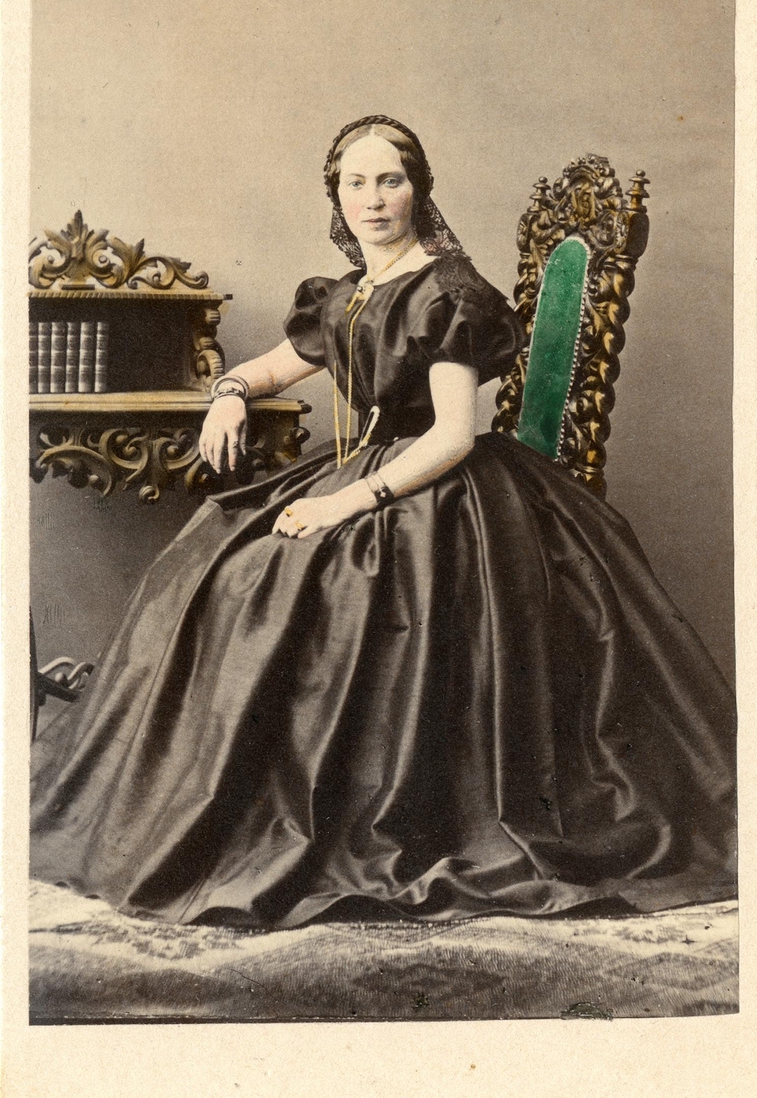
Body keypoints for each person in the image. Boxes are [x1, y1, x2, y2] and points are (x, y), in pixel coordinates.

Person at [31, 116, 736, 928]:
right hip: (375, 468)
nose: (373, 200)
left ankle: (309, 811)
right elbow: (279, 365)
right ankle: (225, 803)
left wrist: (344, 502)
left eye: (390, 181)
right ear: (335, 196)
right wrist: (228, 392)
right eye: (355, 183)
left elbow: (453, 435)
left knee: (278, 577)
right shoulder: (348, 291)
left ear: (418, 190)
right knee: (224, 558)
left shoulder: (445, 292)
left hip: (438, 488)